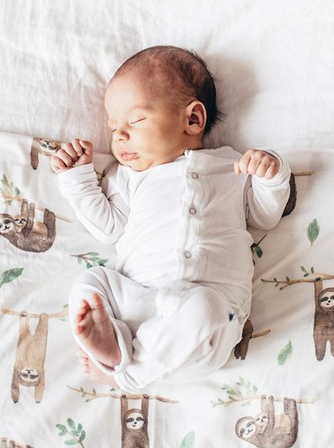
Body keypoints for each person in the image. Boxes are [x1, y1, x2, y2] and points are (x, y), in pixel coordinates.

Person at [52, 45, 292, 392]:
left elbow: (265, 216)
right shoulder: (130, 176)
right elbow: (109, 228)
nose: (118, 136)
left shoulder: (232, 166)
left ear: (192, 120)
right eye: (113, 126)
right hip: (138, 297)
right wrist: (76, 177)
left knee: (204, 309)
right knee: (92, 282)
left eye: (134, 121)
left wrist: (271, 176)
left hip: (208, 318)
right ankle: (114, 340)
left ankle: (127, 372)